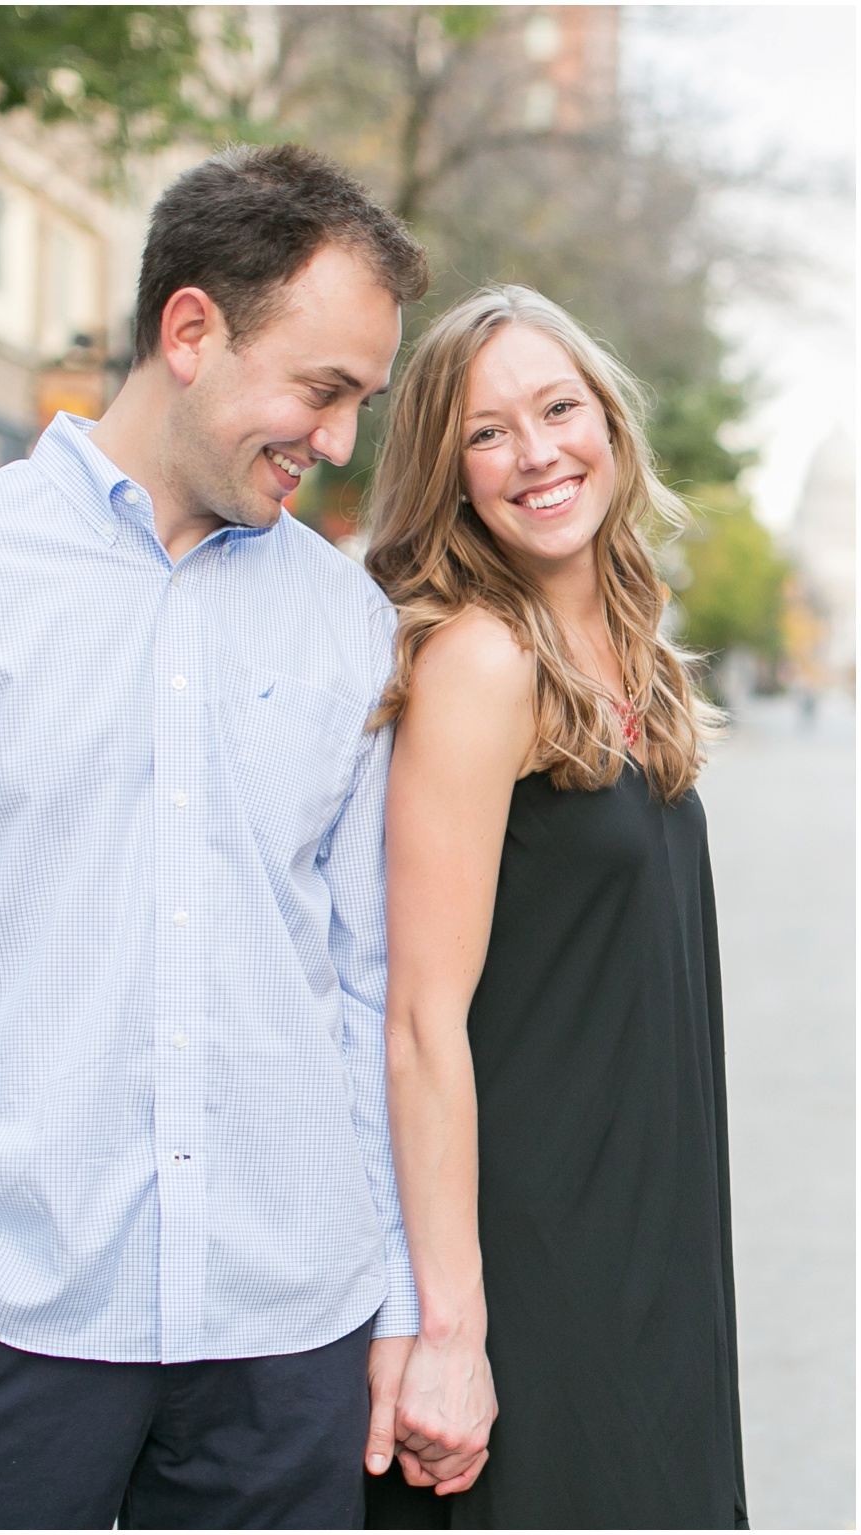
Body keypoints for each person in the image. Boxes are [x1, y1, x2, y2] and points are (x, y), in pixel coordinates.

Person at [0, 143, 430, 1529]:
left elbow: (366, 984)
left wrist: (391, 1295)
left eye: (362, 402)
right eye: (322, 389)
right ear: (189, 332)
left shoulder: (348, 622)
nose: (339, 440)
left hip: (285, 1346)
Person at [361, 286, 748, 1529]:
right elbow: (420, 1020)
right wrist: (449, 1330)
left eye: (555, 407)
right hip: (532, 1254)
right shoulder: (480, 659)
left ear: (608, 423)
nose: (533, 452)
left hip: (648, 1226)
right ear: (446, 469)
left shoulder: (628, 651)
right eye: (486, 431)